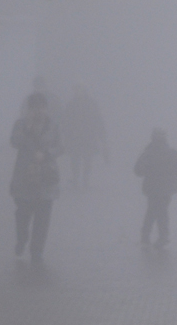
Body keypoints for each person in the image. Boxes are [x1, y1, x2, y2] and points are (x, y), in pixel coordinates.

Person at [10, 92, 62, 263]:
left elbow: (61, 147)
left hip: (46, 178)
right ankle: (22, 238)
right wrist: (28, 127)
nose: (39, 111)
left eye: (42, 107)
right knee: (22, 215)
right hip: (25, 178)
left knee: (43, 218)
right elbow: (14, 141)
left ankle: (37, 251)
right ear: (29, 109)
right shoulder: (21, 124)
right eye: (34, 107)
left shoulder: (53, 126)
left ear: (46, 108)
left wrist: (47, 154)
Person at [134, 128, 177, 248]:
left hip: (152, 188)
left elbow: (138, 171)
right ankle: (162, 236)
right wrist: (171, 177)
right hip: (167, 189)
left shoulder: (148, 154)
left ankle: (146, 236)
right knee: (162, 211)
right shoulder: (173, 153)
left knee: (151, 211)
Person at [60, 84, 109, 190]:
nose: (77, 91)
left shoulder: (91, 104)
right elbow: (65, 121)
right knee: (75, 160)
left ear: (84, 90)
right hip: (74, 137)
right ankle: (76, 181)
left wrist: (102, 136)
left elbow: (98, 120)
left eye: (79, 89)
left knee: (88, 159)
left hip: (88, 137)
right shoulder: (71, 104)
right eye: (76, 89)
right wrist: (65, 134)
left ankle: (85, 182)